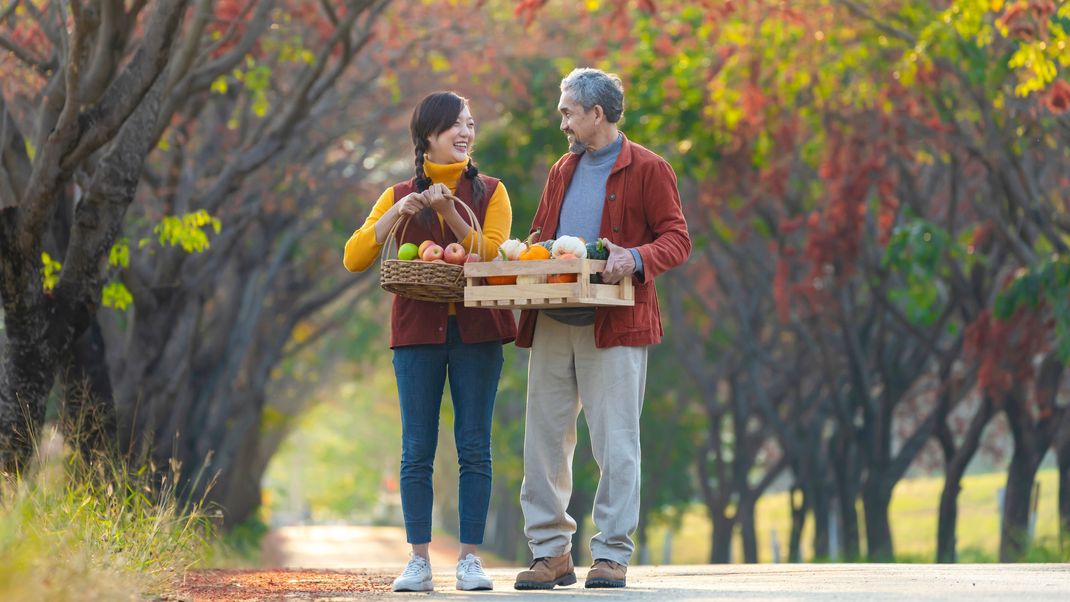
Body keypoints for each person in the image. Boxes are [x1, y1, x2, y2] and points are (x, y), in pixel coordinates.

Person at [513, 68, 691, 590]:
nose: (562, 120)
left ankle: (611, 553)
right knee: (543, 441)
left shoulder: (649, 168)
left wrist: (634, 257)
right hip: (552, 320)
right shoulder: (560, 169)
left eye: (568, 110)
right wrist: (530, 255)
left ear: (597, 113)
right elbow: (541, 236)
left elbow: (677, 239)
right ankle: (550, 553)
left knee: (615, 443)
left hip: (614, 323)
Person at [343, 91, 516, 592]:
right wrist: (398, 215)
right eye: (455, 126)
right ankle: (418, 560)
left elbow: (494, 254)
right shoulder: (398, 193)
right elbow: (354, 257)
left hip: (479, 332)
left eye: (470, 124)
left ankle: (469, 560)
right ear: (427, 137)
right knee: (416, 448)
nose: (466, 133)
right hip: (417, 332)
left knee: (474, 446)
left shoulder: (492, 191)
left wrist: (455, 215)